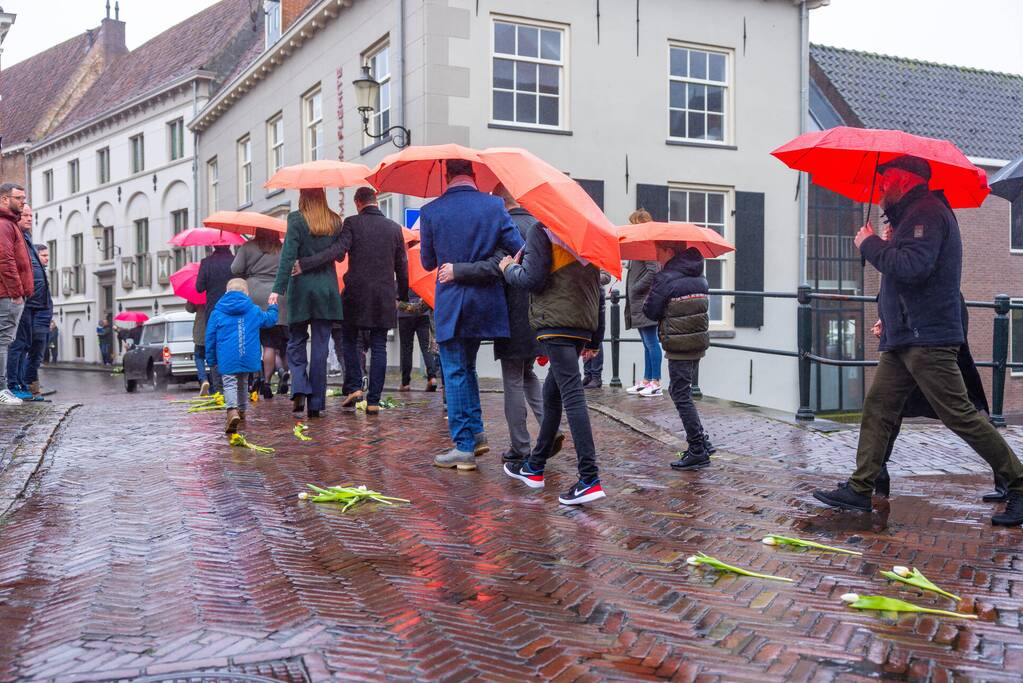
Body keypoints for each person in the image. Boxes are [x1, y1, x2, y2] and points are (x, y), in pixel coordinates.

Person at [812, 155, 1023, 527]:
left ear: (904, 180)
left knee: (959, 415)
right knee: (878, 407)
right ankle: (860, 489)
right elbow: (902, 274)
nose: (880, 188)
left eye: (885, 180)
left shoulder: (927, 213)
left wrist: (871, 243)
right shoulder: (912, 217)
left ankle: (1020, 484)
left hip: (927, 338)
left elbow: (913, 270)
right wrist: (887, 312)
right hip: (904, 336)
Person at [444, 184, 559, 465]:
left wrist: (458, 270)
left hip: (513, 313)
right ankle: (550, 429)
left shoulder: (506, 226)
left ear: (499, 201)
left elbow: (496, 266)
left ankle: (520, 446)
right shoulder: (539, 225)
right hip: (541, 312)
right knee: (528, 374)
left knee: (512, 379)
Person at [421, 159, 524, 470]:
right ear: (473, 174)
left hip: (452, 302)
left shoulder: (431, 212)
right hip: (485, 302)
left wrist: (456, 266)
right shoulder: (494, 206)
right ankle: (477, 434)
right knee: (467, 367)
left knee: (454, 371)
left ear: (446, 175)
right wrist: (487, 258)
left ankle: (464, 445)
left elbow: (427, 262)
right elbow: (518, 248)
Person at [499, 218, 606, 505]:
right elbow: (599, 291)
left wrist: (509, 267)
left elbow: (531, 280)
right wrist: (595, 338)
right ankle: (535, 467)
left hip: (555, 324)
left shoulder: (542, 230)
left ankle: (589, 477)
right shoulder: (586, 235)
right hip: (581, 325)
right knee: (552, 394)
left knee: (572, 395)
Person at [293, 186, 408, 414]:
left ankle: (354, 386)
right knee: (379, 346)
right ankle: (373, 401)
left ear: (357, 203)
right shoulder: (395, 229)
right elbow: (402, 267)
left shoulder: (353, 223)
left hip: (356, 294)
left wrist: (305, 264)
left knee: (348, 339)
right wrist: (401, 296)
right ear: (375, 201)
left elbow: (337, 252)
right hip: (384, 296)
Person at [269, 188, 344, 420]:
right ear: (323, 195)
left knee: (296, 342)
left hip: (300, 289)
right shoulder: (334, 221)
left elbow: (288, 256)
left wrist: (277, 289)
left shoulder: (296, 219)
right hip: (327, 291)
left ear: (303, 196)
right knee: (321, 347)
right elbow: (339, 256)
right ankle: (317, 403)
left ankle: (300, 387)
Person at [642, 244, 714, 470]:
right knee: (683, 391)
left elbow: (650, 311)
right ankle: (702, 441)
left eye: (659, 252)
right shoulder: (700, 277)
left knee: (680, 393)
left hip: (679, 344)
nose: (655, 257)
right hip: (697, 343)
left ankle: (698, 449)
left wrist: (655, 286)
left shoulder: (666, 278)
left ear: (670, 252)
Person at [205, 278, 278, 433]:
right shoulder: (254, 310)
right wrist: (273, 307)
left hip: (227, 357)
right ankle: (242, 411)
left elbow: (210, 338)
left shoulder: (217, 313)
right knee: (243, 382)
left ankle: (232, 410)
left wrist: (211, 360)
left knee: (230, 383)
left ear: (226, 292)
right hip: (247, 355)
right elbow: (270, 320)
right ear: (246, 293)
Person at [232, 228, 290, 400]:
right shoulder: (282, 248)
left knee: (265, 343)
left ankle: (265, 381)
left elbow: (235, 269)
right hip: (279, 296)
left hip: (255, 295)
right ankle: (284, 374)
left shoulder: (248, 246)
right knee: (282, 342)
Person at [6, 204, 48, 398]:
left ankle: (22, 384)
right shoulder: (16, 235)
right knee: (18, 343)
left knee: (26, 344)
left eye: (32, 215)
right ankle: (13, 385)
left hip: (34, 302)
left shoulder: (27, 238)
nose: (30, 218)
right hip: (23, 299)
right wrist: (19, 293)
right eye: (25, 215)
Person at [624, 210, 663, 397]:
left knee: (651, 342)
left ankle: (656, 381)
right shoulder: (640, 246)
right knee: (647, 343)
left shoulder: (647, 245)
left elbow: (653, 271)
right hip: (638, 301)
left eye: (633, 223)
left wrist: (636, 288)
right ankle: (648, 380)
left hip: (645, 301)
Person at [0, 182, 33, 406]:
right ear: (4, 199)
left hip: (10, 294)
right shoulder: (4, 225)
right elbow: (5, 260)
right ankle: (2, 389)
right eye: (19, 198)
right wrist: (16, 292)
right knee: (3, 341)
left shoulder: (9, 224)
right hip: (8, 295)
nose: (23, 201)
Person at [196, 243, 235, 392]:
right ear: (229, 244)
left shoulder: (206, 263)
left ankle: (218, 387)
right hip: (232, 309)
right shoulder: (235, 261)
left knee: (214, 347)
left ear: (214, 245)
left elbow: (199, 288)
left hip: (213, 311)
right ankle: (231, 384)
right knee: (231, 346)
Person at [22, 243, 53, 399]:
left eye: (48, 255)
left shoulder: (42, 273)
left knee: (37, 355)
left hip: (44, 318)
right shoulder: (32, 273)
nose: (47, 259)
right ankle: (28, 386)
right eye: (44, 256)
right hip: (37, 318)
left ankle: (32, 386)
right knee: (33, 353)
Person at [397, 284, 439, 392]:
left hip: (404, 314)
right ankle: (432, 377)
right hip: (423, 313)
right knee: (426, 347)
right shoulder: (421, 271)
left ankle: (405, 382)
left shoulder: (402, 272)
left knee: (406, 349)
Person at [583, 271, 612, 389]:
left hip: (595, 297)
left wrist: (589, 276)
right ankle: (587, 374)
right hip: (583, 298)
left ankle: (596, 376)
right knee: (584, 336)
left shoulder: (599, 256)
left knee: (596, 337)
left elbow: (607, 277)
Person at [185, 301, 210, 396]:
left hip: (200, 332)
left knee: (199, 357)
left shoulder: (198, 293)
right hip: (214, 330)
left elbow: (189, 309)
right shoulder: (216, 292)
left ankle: (203, 379)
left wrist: (191, 299)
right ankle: (215, 385)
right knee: (213, 359)